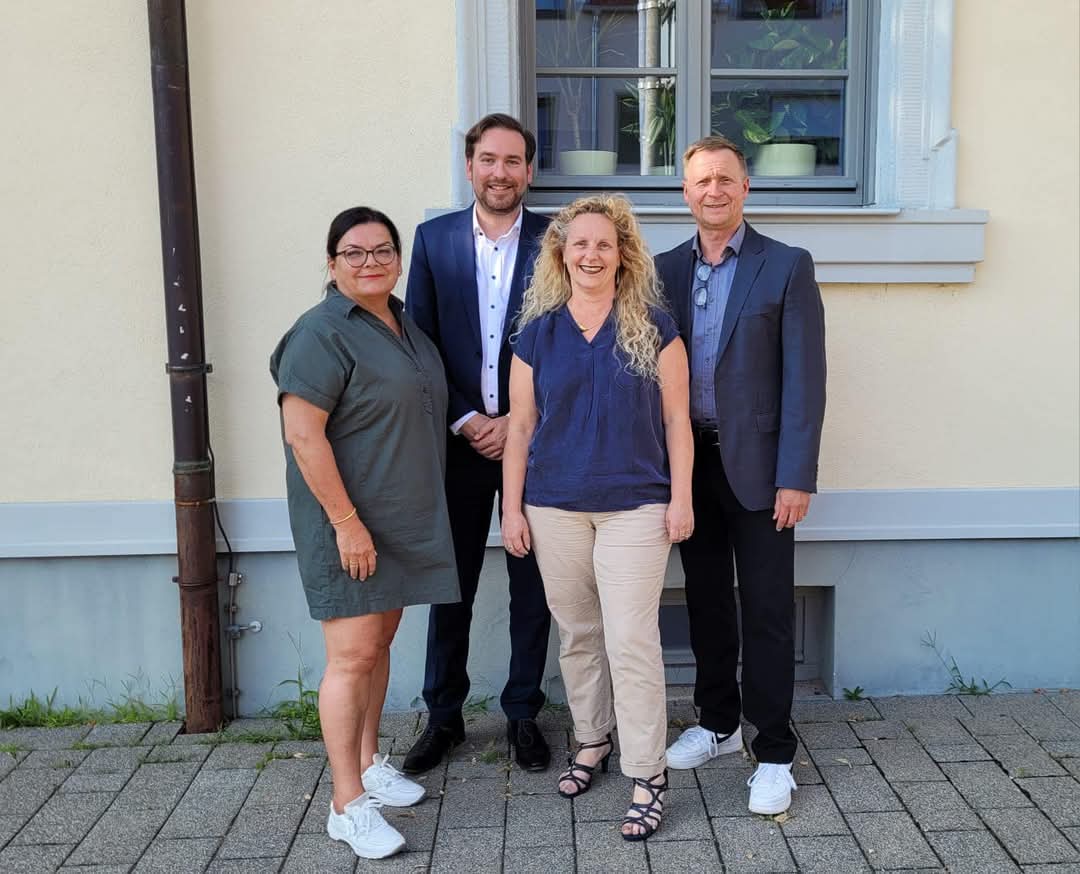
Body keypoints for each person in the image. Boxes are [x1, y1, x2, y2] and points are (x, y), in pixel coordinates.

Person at [501, 194, 694, 841]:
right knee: (579, 633)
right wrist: (512, 508)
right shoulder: (538, 334)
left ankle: (648, 773)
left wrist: (682, 498)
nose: (591, 254)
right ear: (561, 254)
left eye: (604, 244)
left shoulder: (655, 327)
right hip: (553, 505)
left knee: (631, 640)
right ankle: (592, 739)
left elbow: (677, 421)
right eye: (580, 243)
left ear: (622, 254)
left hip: (636, 506)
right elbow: (520, 427)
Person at [270, 207, 460, 859]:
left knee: (378, 644)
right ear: (332, 264)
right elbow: (303, 435)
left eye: (382, 250)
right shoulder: (320, 333)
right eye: (354, 252)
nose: (370, 261)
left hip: (399, 520)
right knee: (351, 657)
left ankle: (369, 763)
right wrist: (347, 525)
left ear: (398, 260)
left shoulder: (402, 322)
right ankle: (346, 804)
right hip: (348, 522)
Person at [656, 135, 826, 816]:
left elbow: (805, 381)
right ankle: (719, 723)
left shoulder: (785, 265)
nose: (714, 190)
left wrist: (797, 475)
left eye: (725, 178)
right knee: (705, 600)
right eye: (702, 180)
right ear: (686, 193)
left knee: (767, 609)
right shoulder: (663, 269)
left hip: (761, 469)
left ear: (745, 187)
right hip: (689, 464)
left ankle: (775, 750)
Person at [403, 114, 553, 774]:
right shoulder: (433, 241)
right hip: (459, 444)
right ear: (470, 167)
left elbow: (566, 340)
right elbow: (420, 341)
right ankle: (443, 716)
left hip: (535, 443)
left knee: (533, 585)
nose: (500, 172)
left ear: (529, 171)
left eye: (513, 161)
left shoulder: (556, 240)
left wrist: (519, 419)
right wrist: (465, 418)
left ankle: (523, 712)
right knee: (451, 583)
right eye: (488, 159)